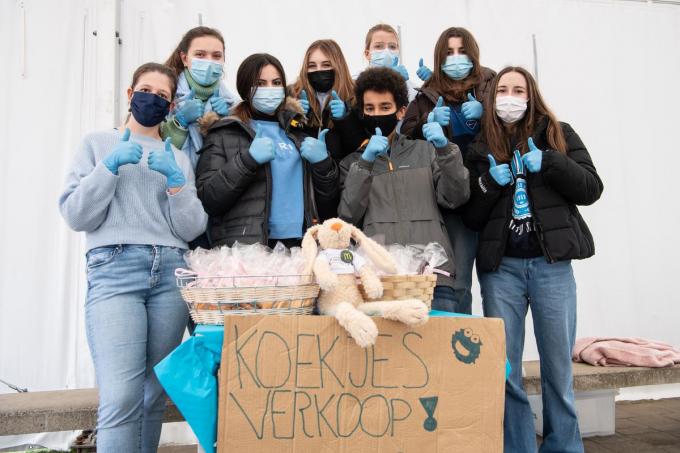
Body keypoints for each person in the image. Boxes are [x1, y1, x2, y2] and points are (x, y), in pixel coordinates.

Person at [59, 62, 207, 453]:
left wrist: (177, 184)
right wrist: (108, 168)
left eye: (162, 96)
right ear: (129, 94)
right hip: (115, 270)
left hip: (170, 274)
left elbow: (191, 228)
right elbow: (76, 215)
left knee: (151, 394)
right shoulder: (97, 143)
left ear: (172, 105)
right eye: (146, 90)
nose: (152, 100)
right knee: (121, 395)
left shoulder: (179, 156)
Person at [463, 66, 603, 453]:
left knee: (558, 368)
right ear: (492, 99)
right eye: (502, 90)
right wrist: (490, 183)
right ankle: (518, 446)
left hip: (551, 267)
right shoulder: (480, 144)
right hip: (501, 271)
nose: (509, 96)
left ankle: (563, 447)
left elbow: (592, 188)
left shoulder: (559, 133)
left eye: (517, 89)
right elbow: (471, 215)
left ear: (530, 95)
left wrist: (552, 162)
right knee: (505, 370)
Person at [338, 67, 469, 304]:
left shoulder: (425, 151)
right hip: (379, 281)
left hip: (432, 278)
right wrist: (366, 162)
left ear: (401, 112)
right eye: (370, 108)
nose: (377, 114)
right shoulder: (352, 164)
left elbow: (456, 197)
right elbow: (348, 216)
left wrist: (444, 149)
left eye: (385, 107)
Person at [195, 53, 339, 248]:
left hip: (301, 243)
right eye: (260, 83)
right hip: (248, 246)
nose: (270, 89)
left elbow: (328, 205)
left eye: (276, 82)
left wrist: (324, 165)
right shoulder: (224, 131)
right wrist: (248, 160)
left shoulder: (298, 131)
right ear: (245, 87)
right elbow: (209, 199)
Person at [402, 26, 496, 314]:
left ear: (473, 55)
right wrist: (427, 121)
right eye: (449, 53)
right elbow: (404, 137)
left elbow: (515, 128)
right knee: (460, 282)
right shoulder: (427, 97)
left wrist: (487, 114)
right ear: (439, 59)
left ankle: (499, 349)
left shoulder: (492, 87)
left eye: (461, 52)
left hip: (494, 192)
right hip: (455, 200)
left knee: (498, 285)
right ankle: (463, 341)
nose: (456, 59)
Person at [162, 26, 238, 168]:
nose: (209, 62)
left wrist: (229, 121)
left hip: (214, 187)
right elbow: (152, 149)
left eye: (216, 56)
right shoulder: (164, 96)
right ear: (184, 58)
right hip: (175, 186)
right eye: (200, 55)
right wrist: (179, 123)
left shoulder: (234, 105)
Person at [356, 23, 418, 101]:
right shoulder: (355, 83)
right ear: (367, 54)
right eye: (378, 46)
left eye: (392, 47)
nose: (387, 52)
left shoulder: (412, 89)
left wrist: (431, 80)